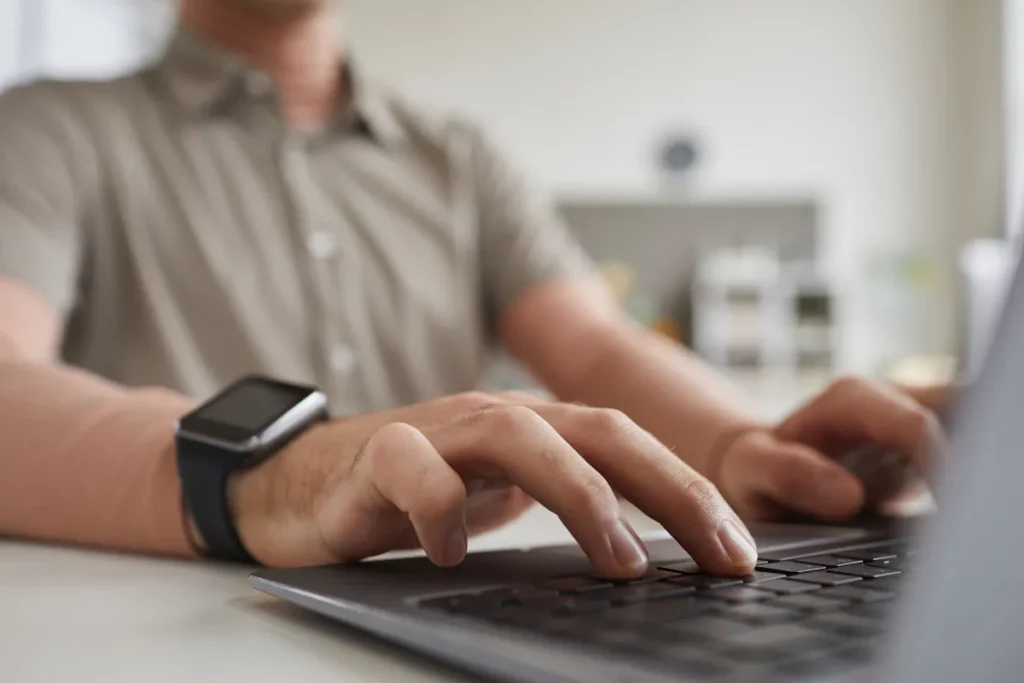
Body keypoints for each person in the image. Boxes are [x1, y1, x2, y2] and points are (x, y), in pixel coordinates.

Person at [0, 0, 949, 579]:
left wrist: (742, 445)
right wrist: (274, 476)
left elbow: (597, 348)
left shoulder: (459, 159)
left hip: (452, 611)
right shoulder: (51, 131)